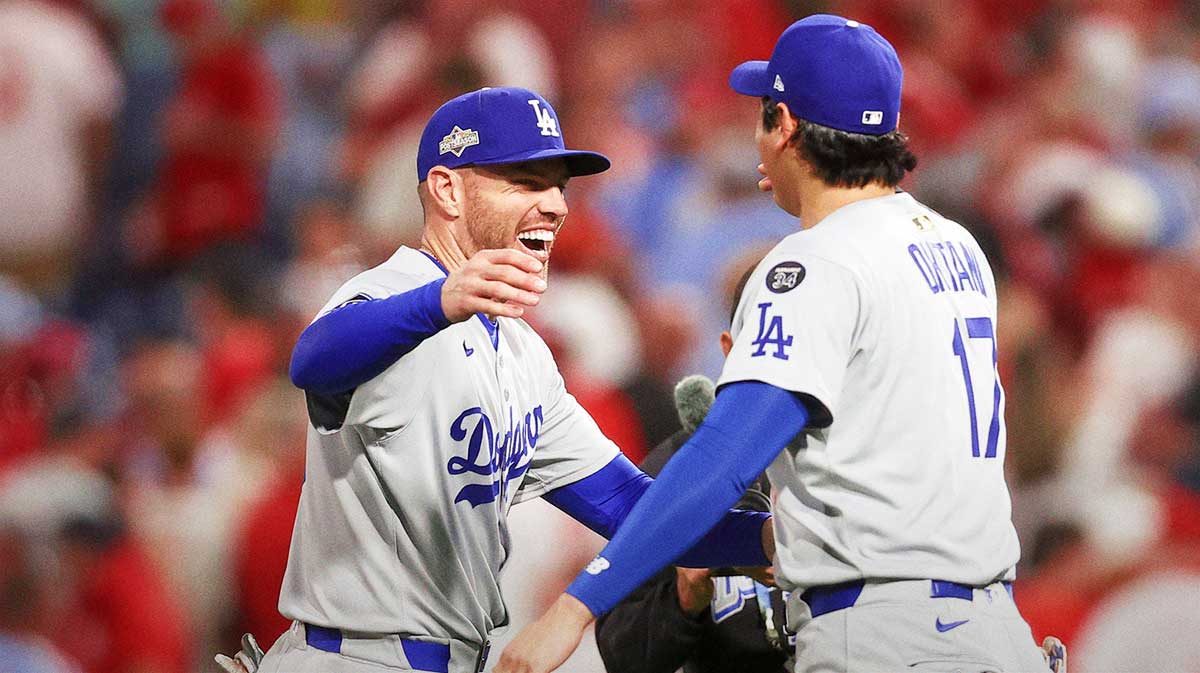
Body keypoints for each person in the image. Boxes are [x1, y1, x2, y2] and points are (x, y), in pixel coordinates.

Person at [496, 15, 1060, 673]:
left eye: (763, 116)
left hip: (886, 634)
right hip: (993, 628)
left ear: (786, 125)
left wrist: (573, 609)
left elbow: (725, 456)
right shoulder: (955, 243)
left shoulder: (816, 260)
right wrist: (765, 536)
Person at [219, 86, 774, 673]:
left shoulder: (522, 350)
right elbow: (314, 360)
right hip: (355, 655)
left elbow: (628, 508)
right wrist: (438, 301)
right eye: (526, 183)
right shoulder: (390, 294)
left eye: (559, 186)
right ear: (448, 190)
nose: (555, 205)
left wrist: (773, 537)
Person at [594, 265, 792, 673]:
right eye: (769, 342)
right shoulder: (676, 469)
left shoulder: (874, 460)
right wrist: (683, 600)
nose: (785, 360)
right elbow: (621, 653)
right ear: (730, 349)